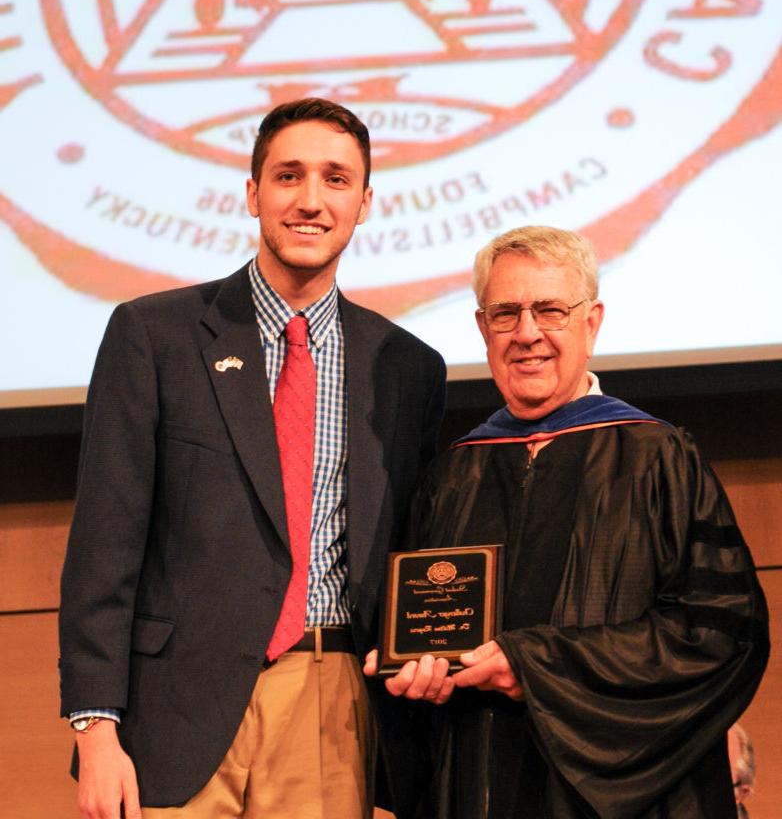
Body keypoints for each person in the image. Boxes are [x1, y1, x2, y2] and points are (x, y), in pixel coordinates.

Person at [59, 98, 446, 819]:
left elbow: (410, 551)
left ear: (364, 203)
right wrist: (95, 730)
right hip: (171, 715)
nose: (310, 200)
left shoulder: (407, 368)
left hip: (328, 707)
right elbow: (103, 549)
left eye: (335, 180)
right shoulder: (156, 337)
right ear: (252, 193)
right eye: (288, 176)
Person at [365, 225, 769, 818]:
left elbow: (718, 634)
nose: (528, 334)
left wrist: (535, 665)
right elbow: (419, 642)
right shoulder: (450, 476)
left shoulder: (658, 456)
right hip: (480, 783)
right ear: (482, 329)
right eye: (506, 314)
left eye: (550, 310)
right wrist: (407, 676)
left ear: (592, 321)